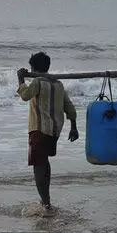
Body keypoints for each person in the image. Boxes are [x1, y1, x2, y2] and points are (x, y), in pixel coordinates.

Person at [16, 52, 79, 214]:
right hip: (54, 131)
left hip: (39, 129)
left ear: (34, 68)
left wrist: (21, 79)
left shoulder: (37, 82)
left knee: (38, 166)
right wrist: (74, 126)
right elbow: (69, 107)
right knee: (44, 164)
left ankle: (46, 204)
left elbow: (24, 96)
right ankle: (46, 200)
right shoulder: (58, 84)